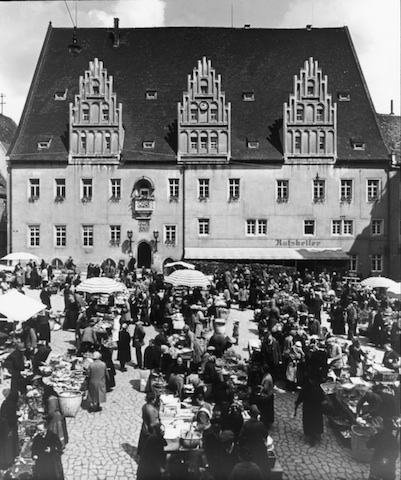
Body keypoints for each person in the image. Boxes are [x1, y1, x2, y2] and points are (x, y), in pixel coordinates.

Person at [238, 405, 271, 480]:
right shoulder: (260, 424)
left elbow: (241, 437)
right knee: (263, 466)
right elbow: (265, 435)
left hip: (250, 448)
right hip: (260, 448)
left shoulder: (246, 424)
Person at [294, 377, 325, 446]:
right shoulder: (318, 388)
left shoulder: (306, 388)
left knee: (309, 422)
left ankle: (309, 435)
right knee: (316, 422)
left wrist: (297, 403)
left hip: (308, 409)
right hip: (316, 409)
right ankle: (316, 434)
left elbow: (301, 397)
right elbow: (322, 398)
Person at [42, 385, 69, 449]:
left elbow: (51, 413)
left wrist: (45, 416)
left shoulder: (52, 399)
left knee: (55, 433)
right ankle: (61, 445)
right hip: (60, 416)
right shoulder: (55, 396)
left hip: (55, 419)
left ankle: (57, 446)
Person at [0, 390, 20, 470]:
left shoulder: (5, 403)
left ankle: (6, 460)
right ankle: (8, 461)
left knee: (5, 443)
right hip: (8, 426)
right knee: (9, 443)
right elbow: (11, 419)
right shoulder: (10, 404)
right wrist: (18, 416)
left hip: (4, 425)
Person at [137, 392, 159, 456]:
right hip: (149, 430)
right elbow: (152, 424)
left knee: (143, 445)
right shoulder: (151, 410)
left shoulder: (145, 406)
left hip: (144, 426)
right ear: (153, 400)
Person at [256, 364, 275, 431]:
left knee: (265, 411)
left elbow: (266, 388)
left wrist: (260, 387)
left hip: (267, 396)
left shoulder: (266, 378)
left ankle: (265, 424)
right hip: (270, 395)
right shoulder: (268, 375)